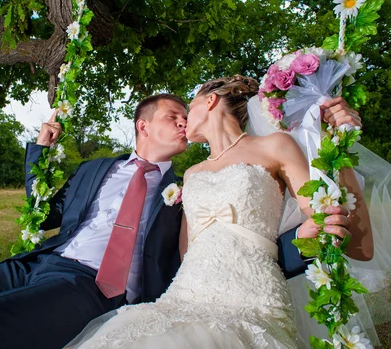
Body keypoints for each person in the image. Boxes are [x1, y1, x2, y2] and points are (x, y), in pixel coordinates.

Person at [0, 93, 360, 349]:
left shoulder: (192, 186)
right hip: (38, 262)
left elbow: (238, 241)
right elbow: (46, 210)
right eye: (173, 116)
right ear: (143, 125)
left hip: (93, 284)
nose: (185, 123)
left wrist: (313, 239)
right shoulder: (96, 168)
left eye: (188, 116)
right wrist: (40, 151)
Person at [67, 76, 373, 349]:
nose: (183, 121)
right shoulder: (191, 174)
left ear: (210, 100)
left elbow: (332, 219)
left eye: (188, 108)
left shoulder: (273, 146)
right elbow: (188, 252)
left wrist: (335, 143)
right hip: (184, 296)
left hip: (250, 298)